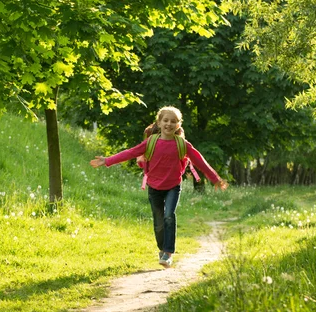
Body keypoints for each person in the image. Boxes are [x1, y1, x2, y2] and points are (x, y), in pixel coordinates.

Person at [90, 106, 228, 268]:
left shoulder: (182, 144)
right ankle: (162, 249)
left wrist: (215, 179)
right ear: (159, 122)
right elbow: (130, 153)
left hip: (173, 187)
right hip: (154, 187)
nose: (169, 124)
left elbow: (200, 161)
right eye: (166, 120)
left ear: (178, 125)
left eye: (173, 121)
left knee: (169, 215)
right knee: (158, 221)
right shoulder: (151, 142)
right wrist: (107, 160)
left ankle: (168, 253)